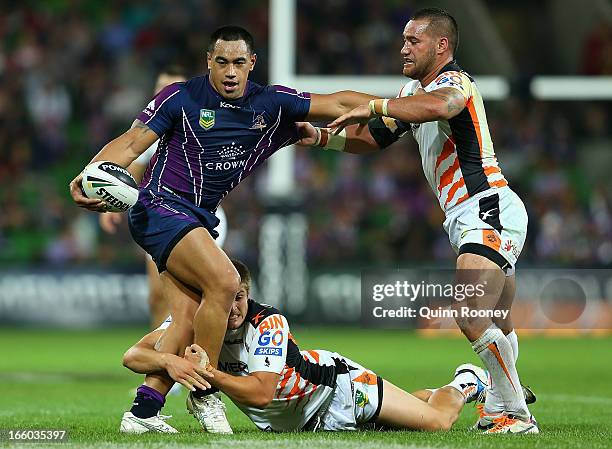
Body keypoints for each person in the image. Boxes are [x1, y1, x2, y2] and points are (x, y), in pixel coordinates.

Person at [69, 25, 377, 431]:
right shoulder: (181, 97)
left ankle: (143, 412)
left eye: (238, 62)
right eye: (221, 62)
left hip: (196, 217)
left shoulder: (272, 105)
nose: (230, 72)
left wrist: (394, 108)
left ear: (251, 64)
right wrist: (89, 174)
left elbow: (347, 115)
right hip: (158, 206)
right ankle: (204, 393)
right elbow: (131, 143)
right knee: (225, 281)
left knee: (185, 320)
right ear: (208, 63)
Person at [301, 8, 538, 434]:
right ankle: (505, 399)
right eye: (404, 39)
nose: (403, 47)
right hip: (473, 213)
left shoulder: (455, 84)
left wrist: (372, 103)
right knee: (498, 317)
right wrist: (318, 137)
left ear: (441, 46)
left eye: (414, 40)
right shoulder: (412, 91)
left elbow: (440, 106)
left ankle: (515, 412)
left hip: (486, 205)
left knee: (469, 311)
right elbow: (372, 138)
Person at [120, 259, 489, 433]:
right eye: (225, 299)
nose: (232, 307)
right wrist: (171, 362)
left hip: (337, 391)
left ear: (249, 295)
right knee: (405, 412)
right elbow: (132, 356)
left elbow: (263, 393)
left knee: (438, 424)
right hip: (301, 422)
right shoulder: (200, 322)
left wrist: (209, 374)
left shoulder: (269, 323)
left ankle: (466, 381)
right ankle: (421, 396)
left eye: (240, 297)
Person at [98, 66, 228, 329]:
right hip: (161, 216)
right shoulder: (152, 131)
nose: (165, 94)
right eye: (160, 89)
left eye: (172, 88)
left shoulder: (203, 125)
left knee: (198, 295)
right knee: (158, 296)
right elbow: (133, 165)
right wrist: (113, 205)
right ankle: (162, 356)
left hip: (201, 218)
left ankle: (201, 355)